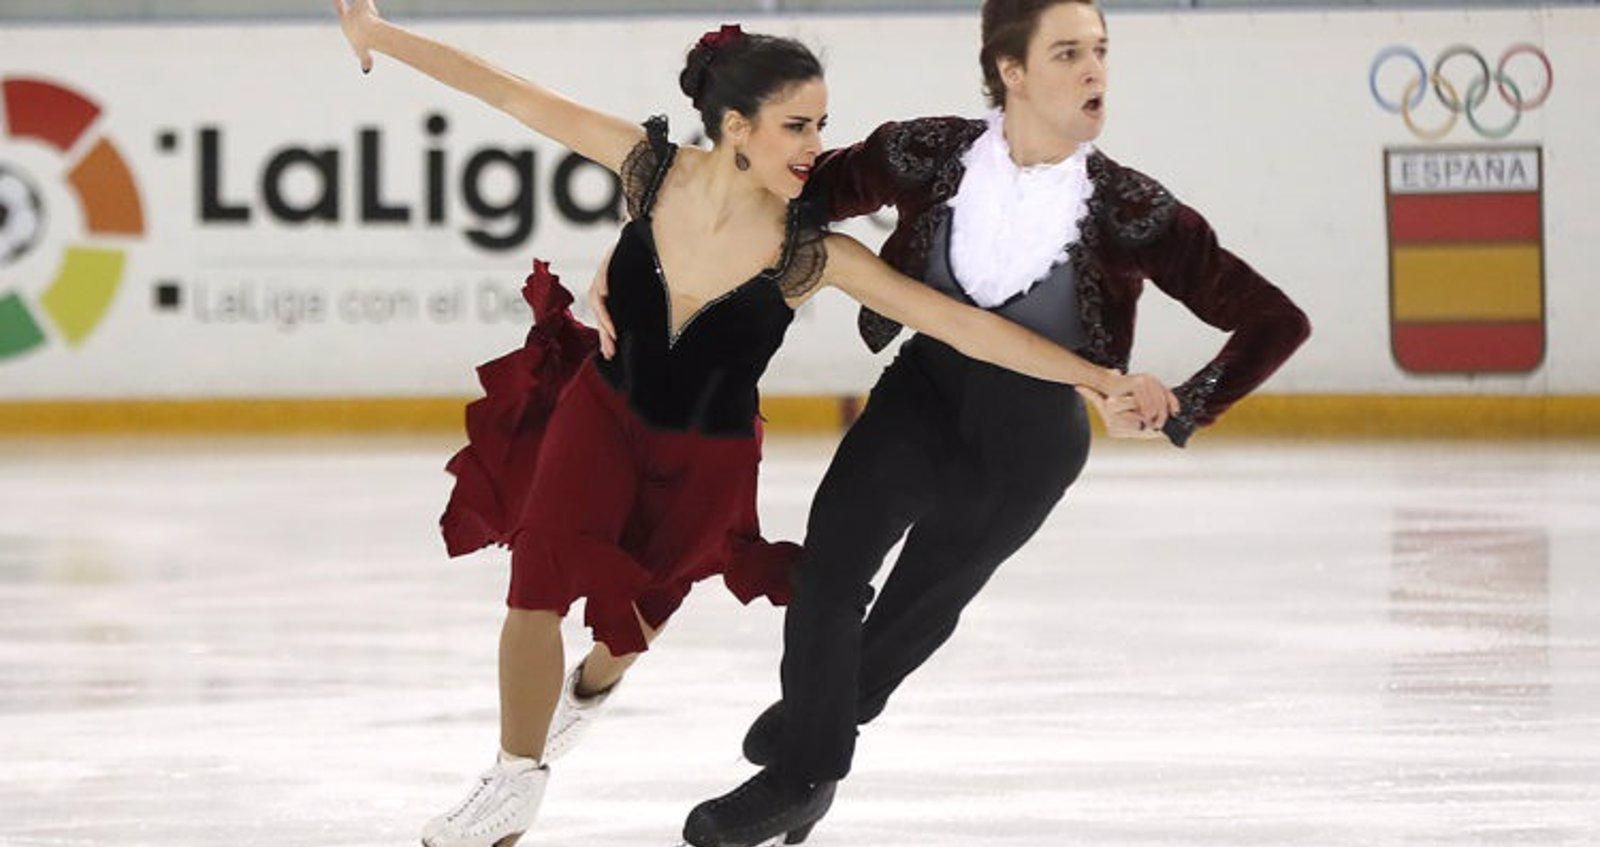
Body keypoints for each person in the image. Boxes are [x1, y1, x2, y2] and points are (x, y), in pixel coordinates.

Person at [332, 4, 1174, 846]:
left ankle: (585, 693)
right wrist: (381, 33)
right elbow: (508, 93)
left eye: (822, 126)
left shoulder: (810, 252)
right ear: (737, 127)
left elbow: (963, 325)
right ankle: (511, 785)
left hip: (707, 464)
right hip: (603, 414)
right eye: (797, 126)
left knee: (625, 630)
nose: (816, 147)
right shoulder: (649, 169)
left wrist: (1095, 378)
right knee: (539, 582)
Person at [679, 1, 1313, 845]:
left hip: (1032, 438)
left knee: (918, 603)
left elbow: (1274, 320)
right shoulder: (926, 152)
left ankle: (811, 741)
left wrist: (1181, 405)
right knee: (830, 564)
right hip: (924, 388)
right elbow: (803, 191)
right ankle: (803, 770)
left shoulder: (1130, 208)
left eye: (1100, 52)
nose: (1094, 72)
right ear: (1011, 72)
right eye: (1067, 54)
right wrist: (667, 252)